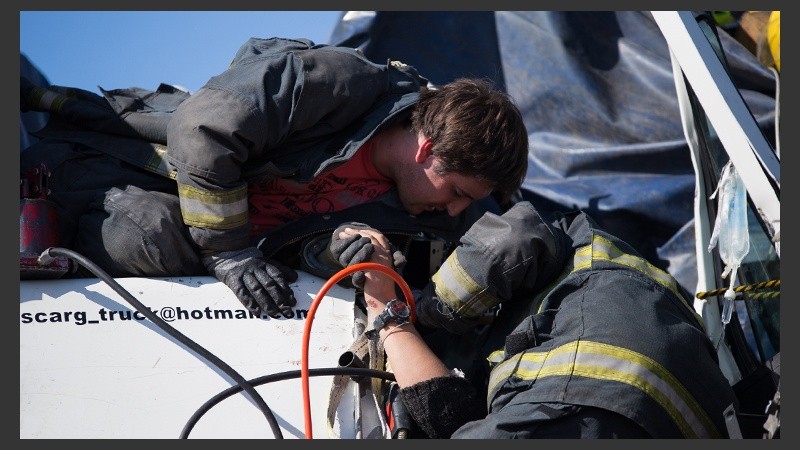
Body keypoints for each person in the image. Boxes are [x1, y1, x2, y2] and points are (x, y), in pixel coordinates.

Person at [19, 37, 529, 318]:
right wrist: (230, 252)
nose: (458, 211)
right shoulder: (339, 83)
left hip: (227, 260)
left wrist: (337, 255)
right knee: (151, 231)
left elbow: (293, 237)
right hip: (102, 171)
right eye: (458, 193)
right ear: (428, 149)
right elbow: (203, 129)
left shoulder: (412, 207)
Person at [328, 201, 739, 438]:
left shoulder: (570, 240)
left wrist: (394, 311)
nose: (451, 205)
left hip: (587, 398)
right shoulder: (598, 258)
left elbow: (450, 413)